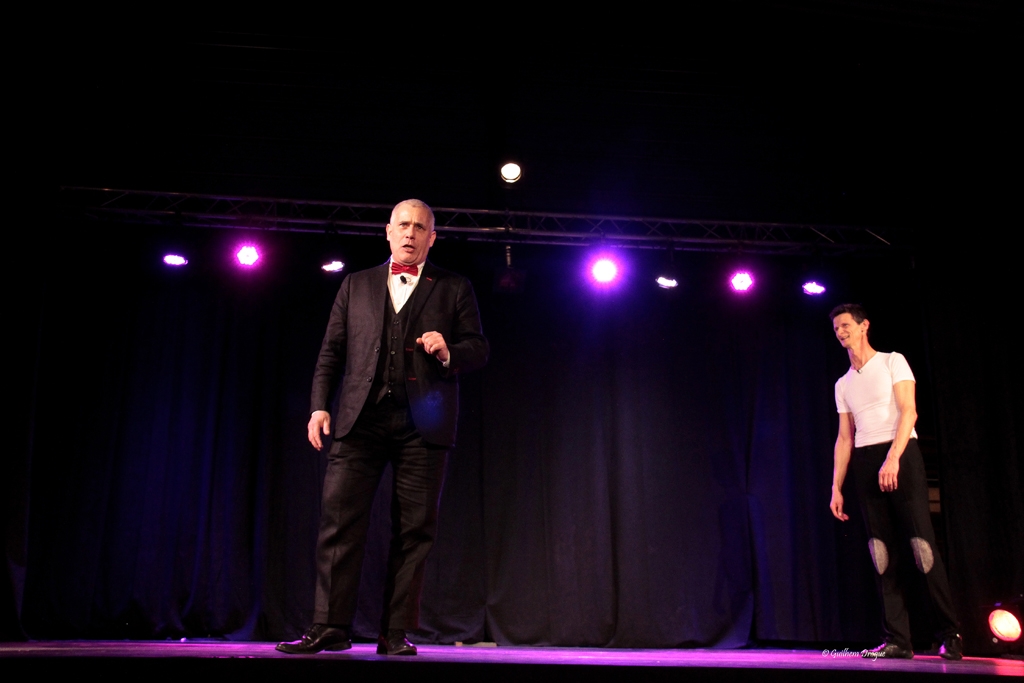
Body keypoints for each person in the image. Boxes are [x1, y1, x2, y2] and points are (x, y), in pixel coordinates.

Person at [277, 199, 488, 656]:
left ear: (433, 238)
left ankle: (394, 633)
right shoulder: (355, 284)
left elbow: (479, 348)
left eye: (421, 227)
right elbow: (331, 351)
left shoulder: (453, 288)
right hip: (360, 419)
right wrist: (318, 407)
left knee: (414, 530)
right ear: (388, 231)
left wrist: (449, 349)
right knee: (339, 523)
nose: (411, 233)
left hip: (422, 427)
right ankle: (329, 626)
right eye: (403, 225)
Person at [828, 304, 961, 660]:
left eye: (845, 325)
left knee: (921, 548)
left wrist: (894, 458)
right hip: (866, 460)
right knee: (882, 554)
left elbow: (909, 411)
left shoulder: (892, 361)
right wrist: (836, 486)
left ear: (863, 326)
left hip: (901, 453)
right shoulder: (843, 384)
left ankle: (950, 634)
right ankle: (898, 640)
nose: (840, 332)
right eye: (836, 328)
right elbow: (844, 438)